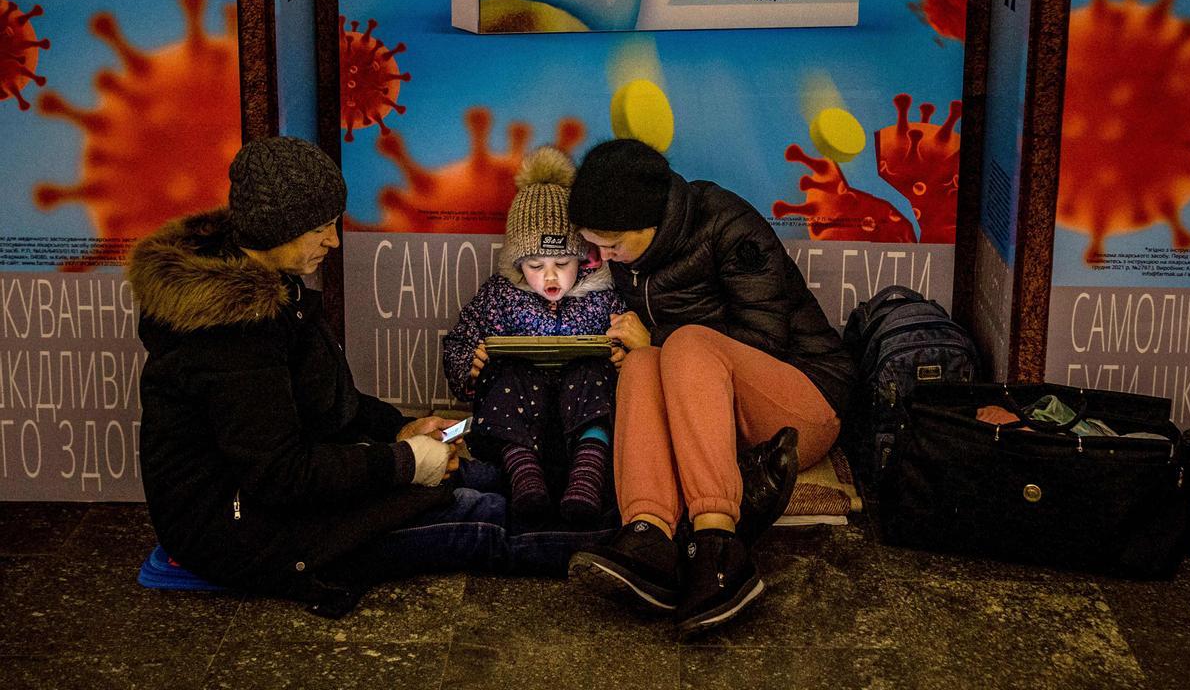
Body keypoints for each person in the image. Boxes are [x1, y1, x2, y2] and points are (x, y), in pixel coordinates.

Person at [129, 136, 508, 615]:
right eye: (321, 229)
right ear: (276, 230)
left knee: (480, 477)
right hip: (234, 530)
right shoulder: (232, 333)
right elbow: (283, 476)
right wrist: (405, 463)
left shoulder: (270, 282)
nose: (333, 241)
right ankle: (608, 545)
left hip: (277, 495)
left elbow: (325, 402)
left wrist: (399, 430)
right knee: (483, 518)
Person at [565, 138, 855, 634]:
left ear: (651, 222)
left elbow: (767, 340)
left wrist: (656, 337)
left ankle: (720, 543)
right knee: (640, 366)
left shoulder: (727, 225)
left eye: (612, 242)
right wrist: (641, 348)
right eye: (595, 243)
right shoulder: (633, 253)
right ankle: (648, 534)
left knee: (683, 344)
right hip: (712, 412)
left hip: (802, 400)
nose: (603, 255)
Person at [443, 146, 626, 528]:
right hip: (516, 431)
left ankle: (587, 479)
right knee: (506, 373)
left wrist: (623, 356)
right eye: (535, 265)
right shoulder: (499, 295)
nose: (551, 277)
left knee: (592, 371)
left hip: (581, 431)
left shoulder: (604, 296)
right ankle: (525, 479)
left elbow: (632, 343)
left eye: (563, 263)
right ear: (517, 262)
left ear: (584, 258)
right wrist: (470, 366)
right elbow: (460, 340)